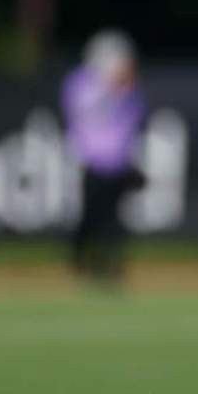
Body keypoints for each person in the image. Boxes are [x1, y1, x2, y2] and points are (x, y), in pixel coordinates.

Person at [61, 29, 146, 285]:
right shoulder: (81, 83)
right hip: (90, 162)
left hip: (117, 163)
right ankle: (79, 259)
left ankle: (109, 264)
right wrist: (111, 87)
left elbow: (131, 122)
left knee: (114, 219)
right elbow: (82, 111)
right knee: (90, 215)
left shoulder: (129, 90)